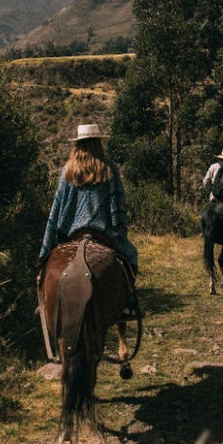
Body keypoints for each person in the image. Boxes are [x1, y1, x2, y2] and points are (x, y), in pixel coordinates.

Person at [39, 123, 139, 312]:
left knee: (47, 268)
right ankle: (129, 302)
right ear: (98, 144)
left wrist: (48, 243)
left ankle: (44, 304)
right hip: (103, 234)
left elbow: (57, 209)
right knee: (132, 256)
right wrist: (119, 231)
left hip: (72, 235)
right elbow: (118, 205)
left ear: (78, 145)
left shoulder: (67, 171)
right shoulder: (108, 168)